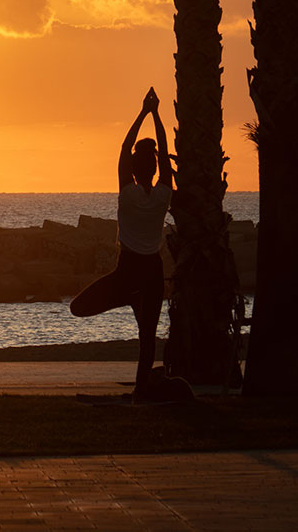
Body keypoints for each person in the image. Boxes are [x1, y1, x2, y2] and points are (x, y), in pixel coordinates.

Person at [69, 87, 173, 397]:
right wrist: (156, 114)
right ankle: (141, 387)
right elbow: (165, 151)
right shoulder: (163, 196)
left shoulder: (127, 194)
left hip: (127, 270)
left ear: (133, 168)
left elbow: (125, 147)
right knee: (148, 335)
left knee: (78, 307)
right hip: (152, 270)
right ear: (153, 169)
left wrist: (143, 111)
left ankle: (127, 298)